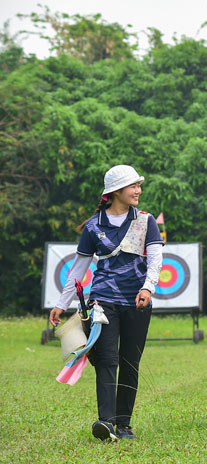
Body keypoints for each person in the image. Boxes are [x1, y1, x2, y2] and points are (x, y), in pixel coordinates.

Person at [49, 165, 164, 441]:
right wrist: (61, 303)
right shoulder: (93, 226)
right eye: (133, 186)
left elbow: (155, 260)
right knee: (106, 360)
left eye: (139, 185)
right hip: (103, 302)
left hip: (137, 301)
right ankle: (107, 423)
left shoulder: (146, 221)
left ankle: (124, 425)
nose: (138, 190)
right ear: (116, 191)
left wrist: (148, 288)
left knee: (130, 362)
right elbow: (78, 270)